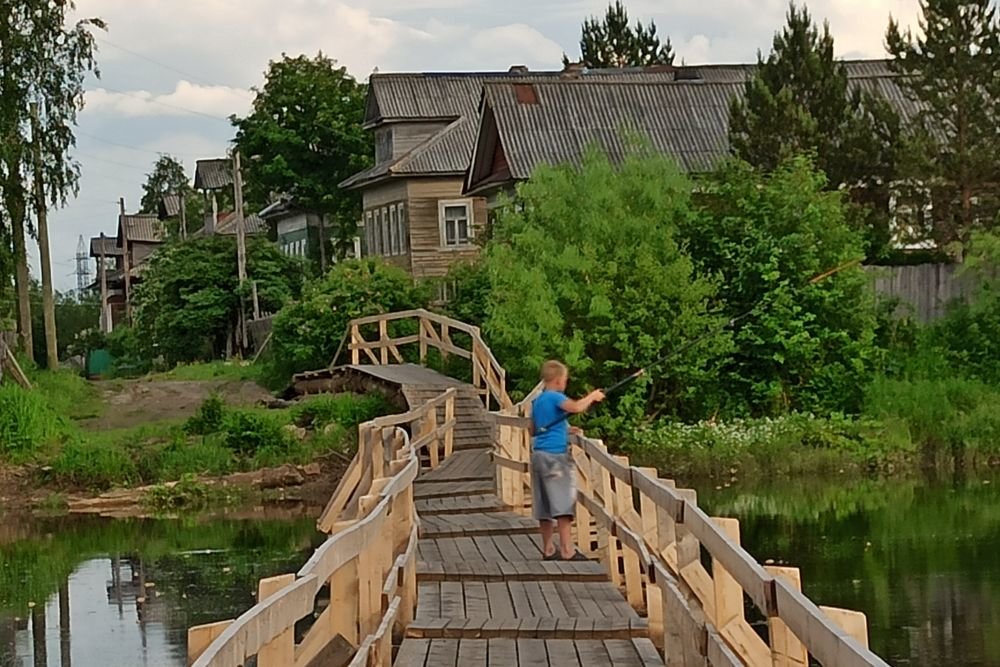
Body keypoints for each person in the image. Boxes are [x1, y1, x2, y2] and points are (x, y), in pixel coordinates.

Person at [530, 360, 605, 561]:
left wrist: (564, 429)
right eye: (565, 380)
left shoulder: (538, 401)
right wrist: (593, 396)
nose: (566, 383)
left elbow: (533, 429)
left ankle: (548, 549)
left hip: (538, 455)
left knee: (544, 503)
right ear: (557, 380)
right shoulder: (555, 396)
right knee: (563, 503)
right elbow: (576, 407)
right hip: (555, 456)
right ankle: (566, 550)